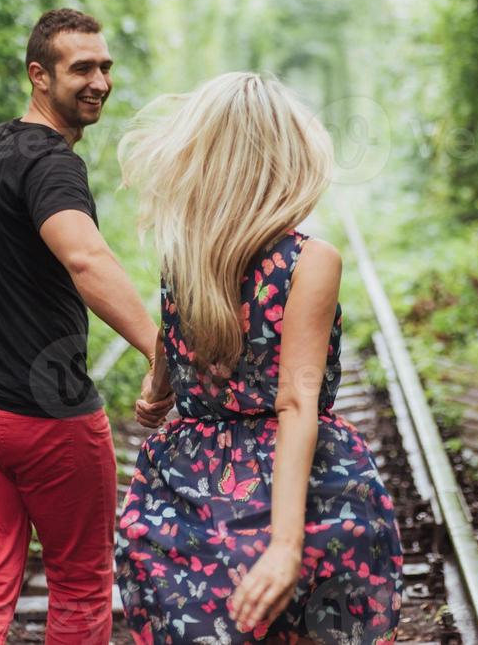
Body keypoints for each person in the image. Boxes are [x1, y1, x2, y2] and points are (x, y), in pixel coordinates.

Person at [115, 71, 403, 645]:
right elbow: (296, 401)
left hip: (189, 485)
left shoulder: (182, 259)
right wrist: (284, 544)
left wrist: (157, 389)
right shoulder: (309, 260)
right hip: (299, 484)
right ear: (284, 159)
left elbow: (167, 368)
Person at [0, 8, 174, 645]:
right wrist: (159, 349)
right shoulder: (53, 166)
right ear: (39, 76)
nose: (98, 80)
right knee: (80, 582)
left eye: (105, 66)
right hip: (49, 419)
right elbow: (85, 256)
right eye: (81, 69)